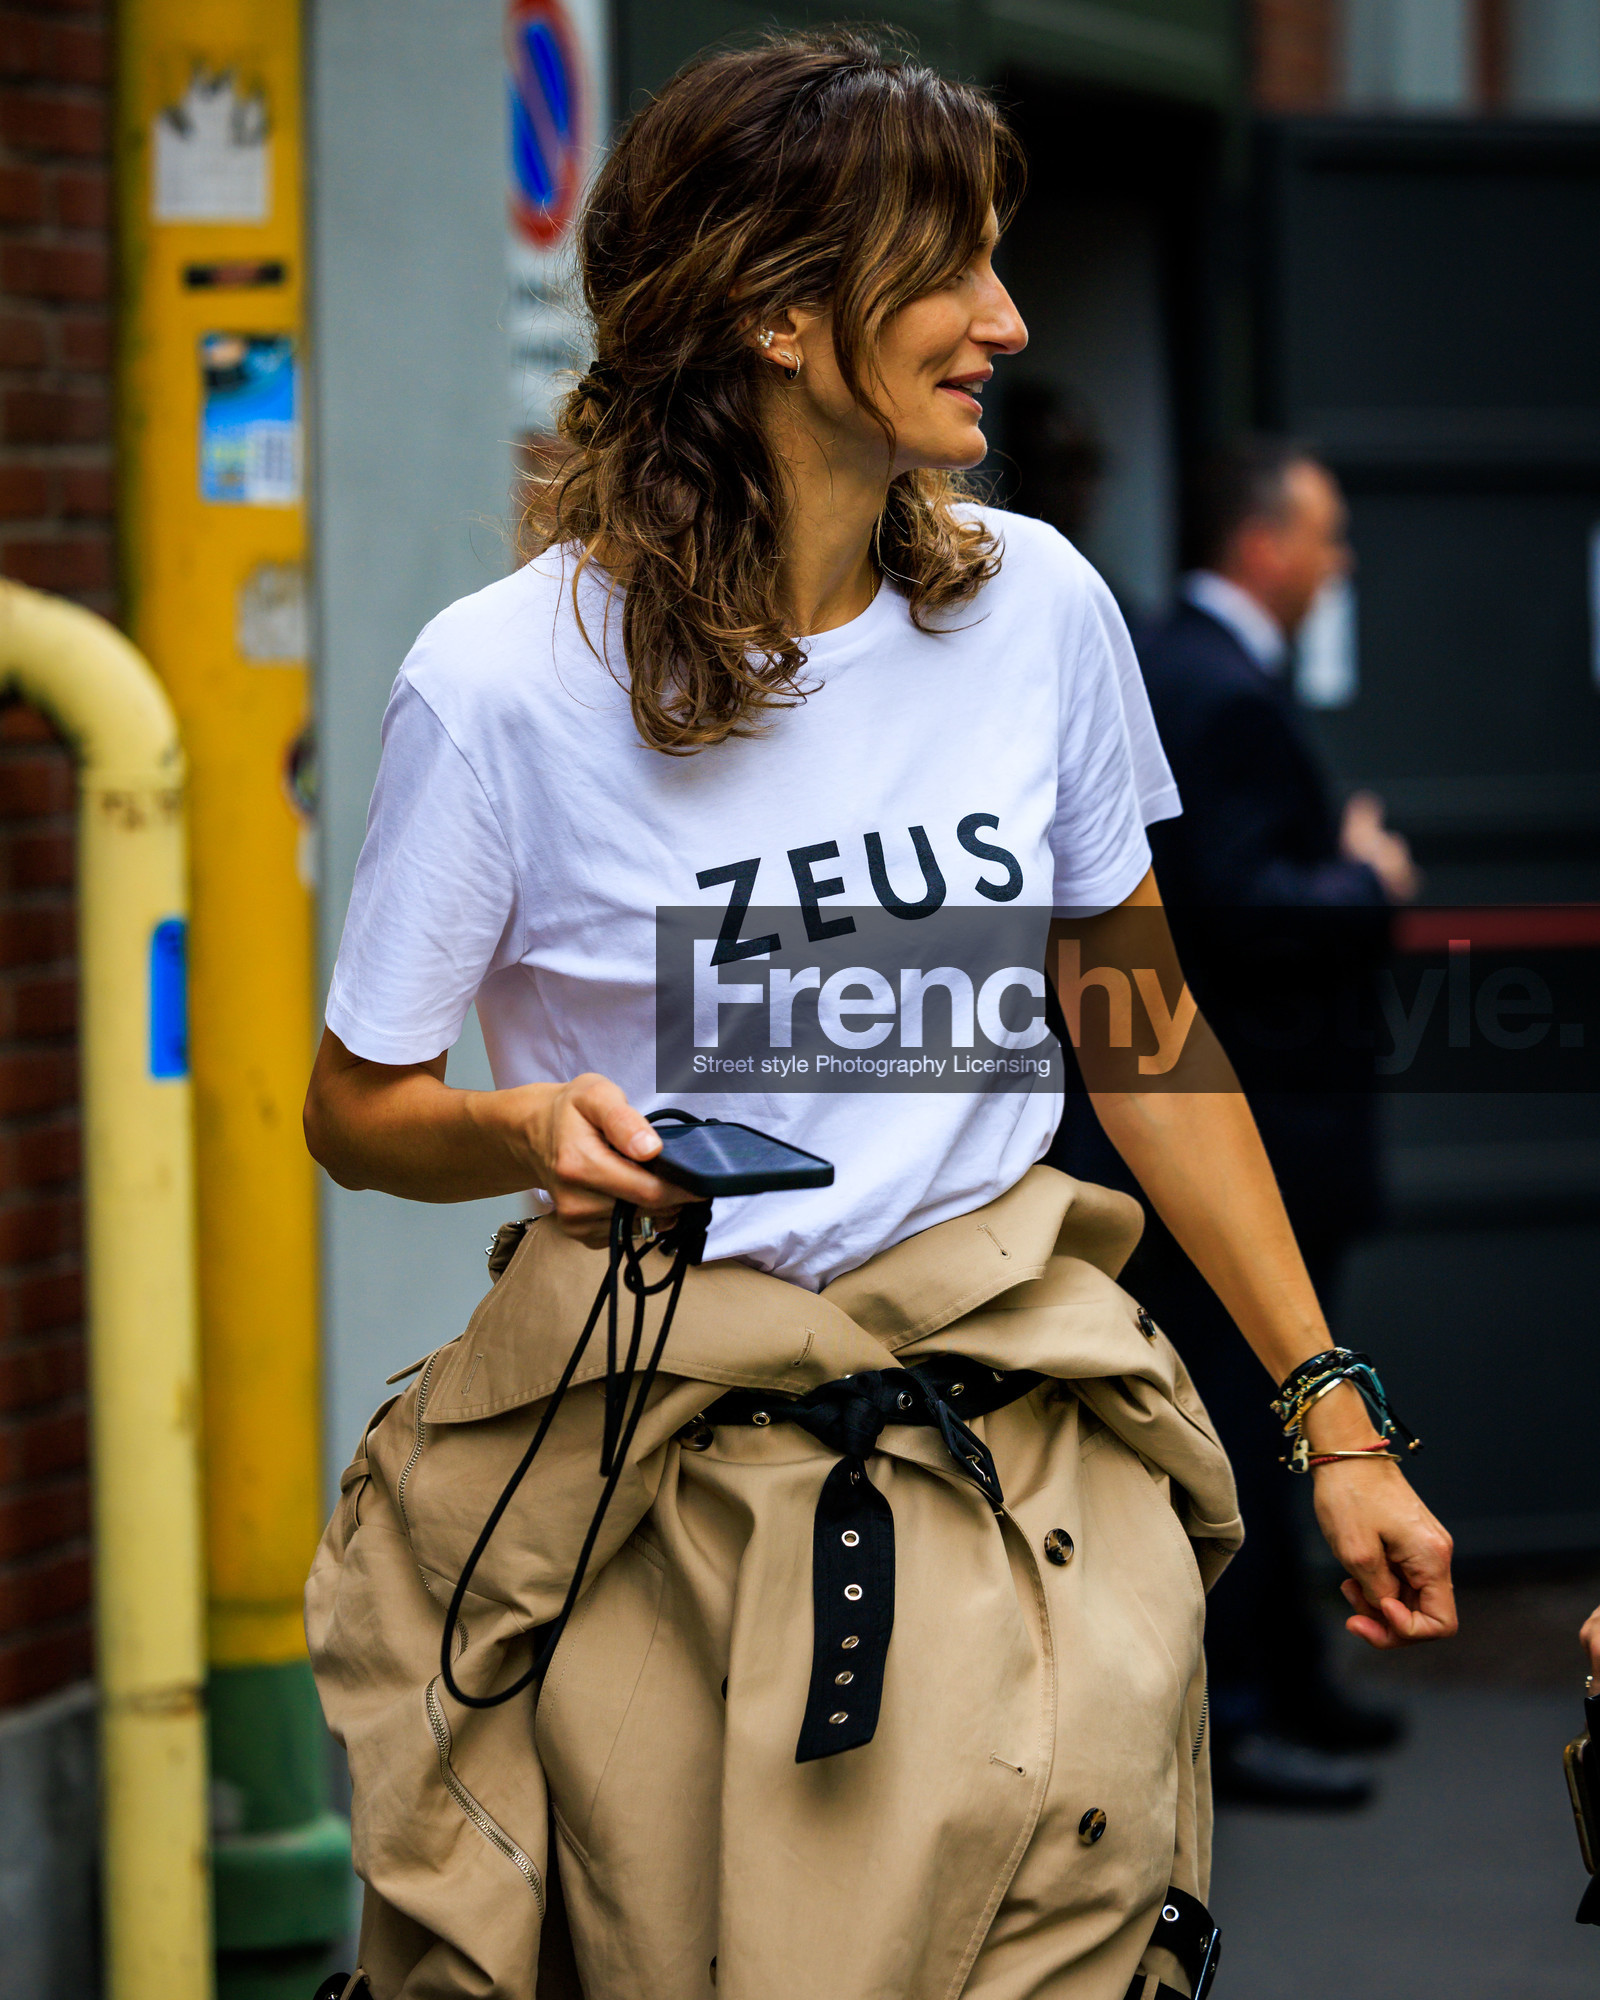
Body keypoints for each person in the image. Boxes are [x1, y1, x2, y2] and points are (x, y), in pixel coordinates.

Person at [302, 38, 1454, 2000]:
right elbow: (357, 1102)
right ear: (770, 305)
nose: (1005, 321)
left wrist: (1324, 1412)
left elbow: (1142, 1036)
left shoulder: (1038, 611)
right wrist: (518, 1130)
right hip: (663, 1480)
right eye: (949, 267)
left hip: (1023, 1452)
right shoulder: (500, 683)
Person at [1052, 439, 1422, 1809]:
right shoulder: (1208, 686)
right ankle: (1244, 1706)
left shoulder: (1175, 663)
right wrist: (1364, 882)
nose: (1340, 566)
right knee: (1243, 1419)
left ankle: (1294, 1683)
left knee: (1273, 1418)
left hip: (1246, 1120)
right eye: (1325, 537)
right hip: (1240, 1128)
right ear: (1264, 545)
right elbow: (1228, 912)